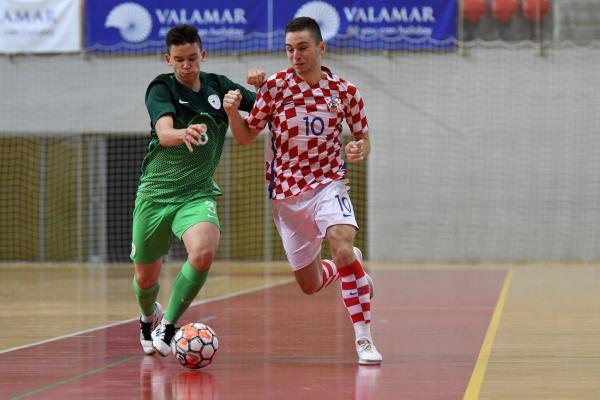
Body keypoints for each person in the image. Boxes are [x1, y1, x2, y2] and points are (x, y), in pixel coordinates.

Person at [223, 16, 382, 365]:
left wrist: (359, 149)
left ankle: (364, 338)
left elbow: (362, 138)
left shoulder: (346, 91)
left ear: (321, 48)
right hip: (287, 195)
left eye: (303, 48)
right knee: (309, 284)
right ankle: (349, 267)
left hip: (329, 184)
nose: (295, 56)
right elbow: (247, 137)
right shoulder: (275, 88)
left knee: (342, 244)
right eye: (289, 50)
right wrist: (233, 112)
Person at [131, 24, 257, 357]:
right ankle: (148, 316)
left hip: (196, 193)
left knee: (203, 250)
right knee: (146, 278)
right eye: (179, 60)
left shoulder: (220, 87)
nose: (187, 66)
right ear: (168, 60)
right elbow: (164, 131)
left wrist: (261, 88)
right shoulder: (161, 89)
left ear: (202, 54)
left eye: (192, 58)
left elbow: (263, 109)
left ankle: (168, 326)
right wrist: (183, 133)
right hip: (156, 195)